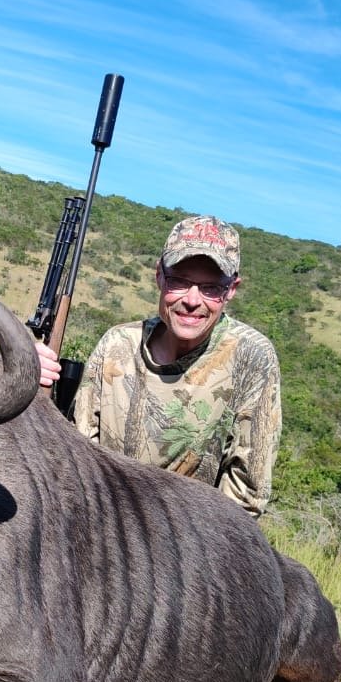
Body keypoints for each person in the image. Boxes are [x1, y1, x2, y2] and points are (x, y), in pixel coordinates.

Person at [36, 215, 281, 517]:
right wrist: (32, 380)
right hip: (100, 523)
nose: (192, 300)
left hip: (188, 543)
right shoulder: (117, 344)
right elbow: (75, 454)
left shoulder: (252, 357)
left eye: (210, 288)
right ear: (159, 276)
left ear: (231, 290)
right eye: (179, 281)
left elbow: (246, 494)